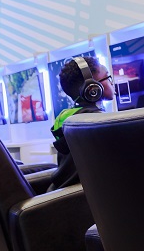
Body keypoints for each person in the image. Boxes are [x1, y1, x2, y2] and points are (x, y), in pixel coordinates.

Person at [48, 56, 115, 191]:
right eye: (107, 77)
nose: (112, 83)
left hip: (61, 193)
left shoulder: (71, 118)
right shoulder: (97, 123)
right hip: (76, 198)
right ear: (93, 88)